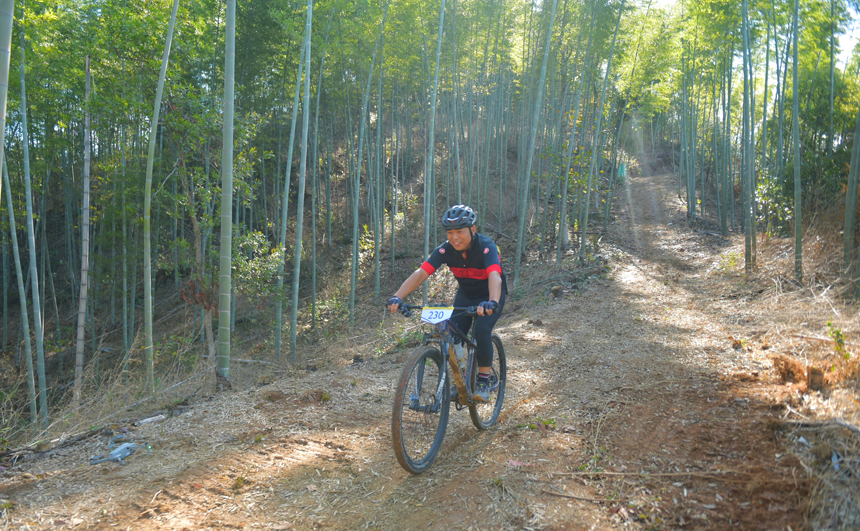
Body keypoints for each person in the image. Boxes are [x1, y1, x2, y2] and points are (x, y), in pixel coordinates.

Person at [387, 205, 507, 402]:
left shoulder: (486, 247)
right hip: (466, 295)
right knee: (452, 335)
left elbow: (495, 275)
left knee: (481, 331)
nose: (454, 237)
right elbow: (422, 273)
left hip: (490, 296)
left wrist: (492, 301)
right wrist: (398, 296)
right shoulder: (445, 250)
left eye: (459, 231)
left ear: (473, 230)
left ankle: (483, 380)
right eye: (450, 232)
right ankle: (461, 380)